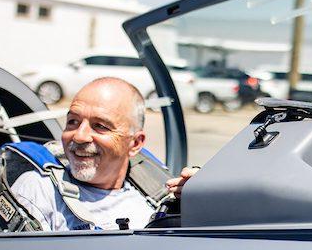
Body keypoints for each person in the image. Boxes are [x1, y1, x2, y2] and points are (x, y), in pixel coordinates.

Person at [11, 77, 191, 231]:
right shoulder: (39, 190)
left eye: (100, 126)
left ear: (135, 144)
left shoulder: (159, 195)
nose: (80, 136)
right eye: (73, 121)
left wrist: (201, 201)